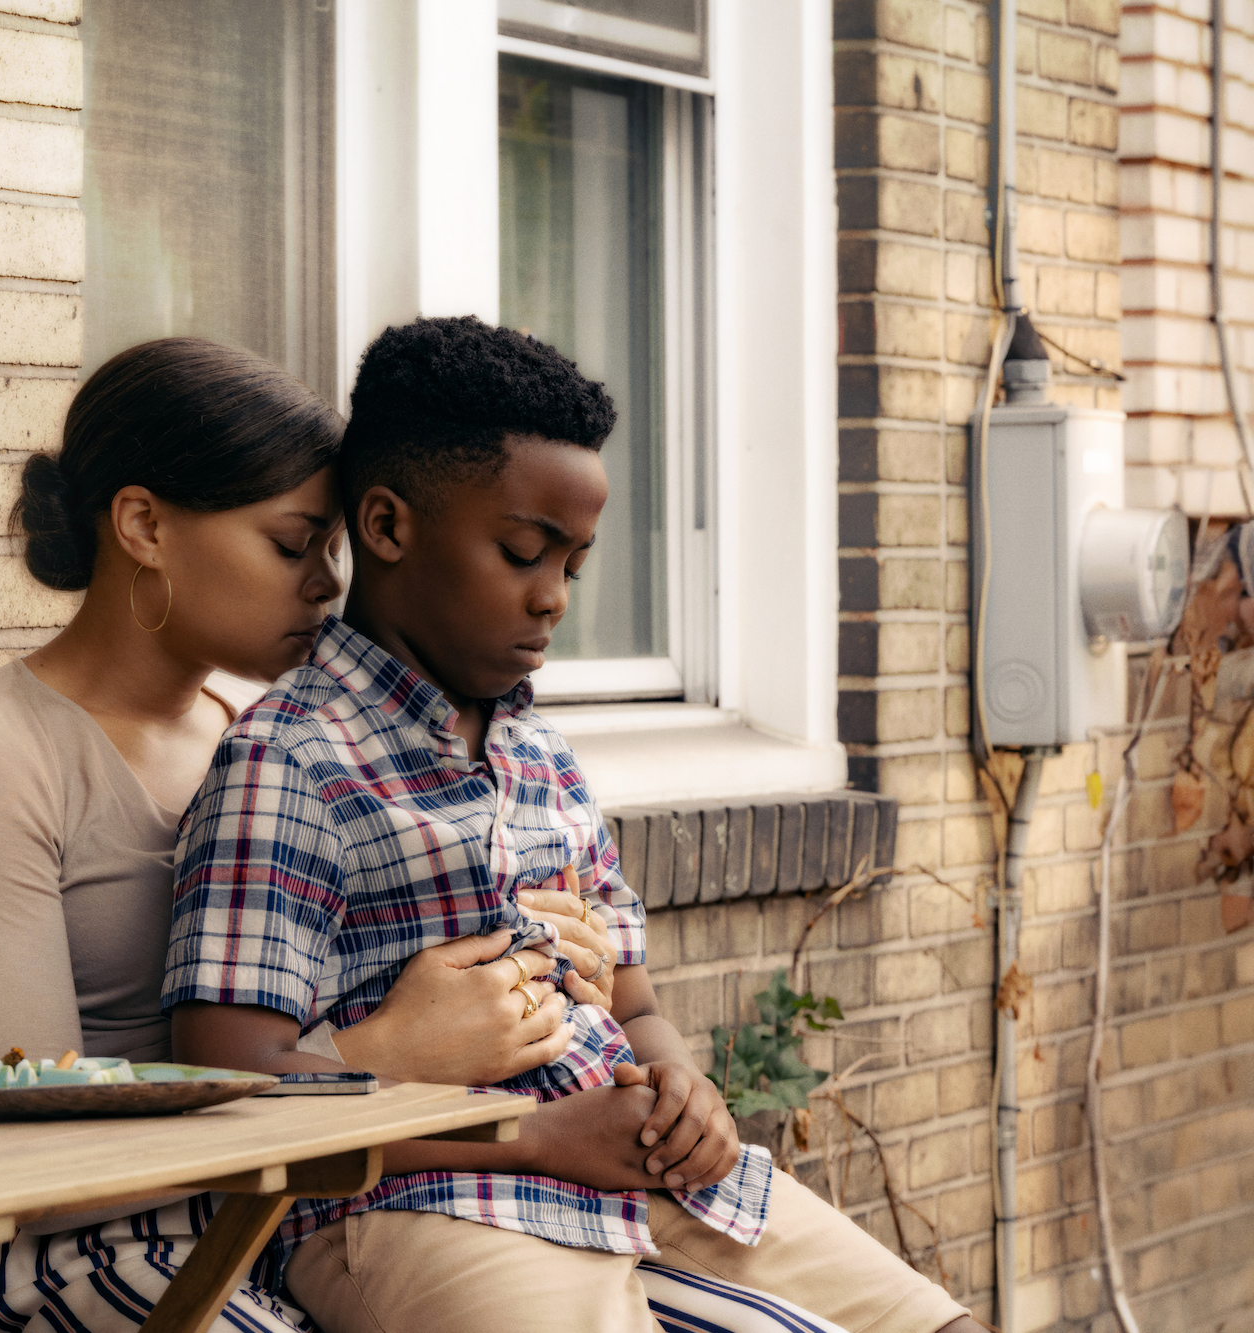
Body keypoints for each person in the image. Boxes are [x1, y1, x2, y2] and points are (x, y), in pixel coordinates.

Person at [164, 316, 982, 1333]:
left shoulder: (540, 755)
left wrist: (681, 1082)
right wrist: (539, 1137)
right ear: (384, 525)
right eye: (519, 552)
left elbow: (629, 1001)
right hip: (415, 1205)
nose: (551, 598)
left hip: (635, 1172)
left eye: (574, 565)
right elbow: (229, 1087)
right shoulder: (291, 762)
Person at [0, 336, 617, 1333]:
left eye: (331, 548)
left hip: (301, 1214)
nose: (325, 582)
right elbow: (35, 1143)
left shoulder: (260, 734)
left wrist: (560, 964)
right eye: (289, 543)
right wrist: (374, 1050)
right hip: (105, 1255)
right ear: (142, 524)